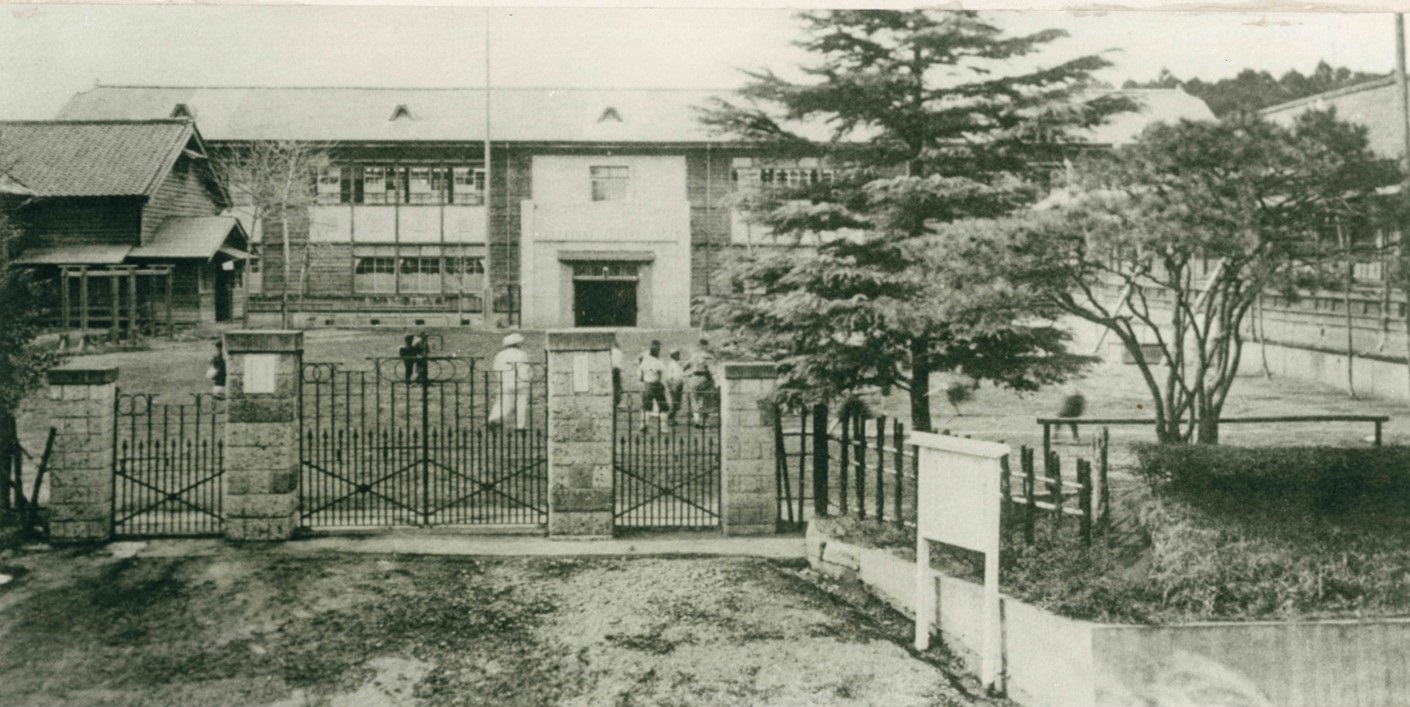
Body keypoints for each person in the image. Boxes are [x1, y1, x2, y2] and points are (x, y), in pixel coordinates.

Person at [488, 332, 532, 430]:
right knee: (521, 404)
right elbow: (526, 368)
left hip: (506, 382)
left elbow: (496, 368)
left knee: (504, 401)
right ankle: (520, 425)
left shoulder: (500, 355)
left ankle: (495, 417)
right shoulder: (522, 354)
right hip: (521, 382)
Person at [684, 338, 717, 428]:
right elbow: (712, 370)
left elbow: (685, 366)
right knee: (705, 400)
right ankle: (703, 421)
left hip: (694, 378)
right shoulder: (708, 356)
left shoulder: (693, 355)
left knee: (694, 399)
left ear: (699, 345)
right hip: (705, 379)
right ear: (706, 345)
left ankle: (697, 420)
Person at [637, 340, 669, 432]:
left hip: (647, 385)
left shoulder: (644, 362)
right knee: (663, 406)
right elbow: (665, 373)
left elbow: (640, 375)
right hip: (656, 384)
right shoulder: (658, 362)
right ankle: (663, 427)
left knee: (646, 406)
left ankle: (643, 424)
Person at [664, 349, 685, 425]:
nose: (679, 356)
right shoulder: (671, 364)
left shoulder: (676, 364)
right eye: (677, 354)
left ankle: (673, 419)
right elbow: (668, 377)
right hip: (674, 386)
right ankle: (670, 419)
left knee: (677, 403)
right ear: (674, 355)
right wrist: (672, 386)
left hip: (678, 385)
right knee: (673, 403)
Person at [610, 337, 625, 409]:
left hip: (612, 369)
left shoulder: (611, 351)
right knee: (617, 386)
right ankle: (617, 401)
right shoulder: (619, 352)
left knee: (614, 385)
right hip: (617, 369)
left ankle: (613, 401)